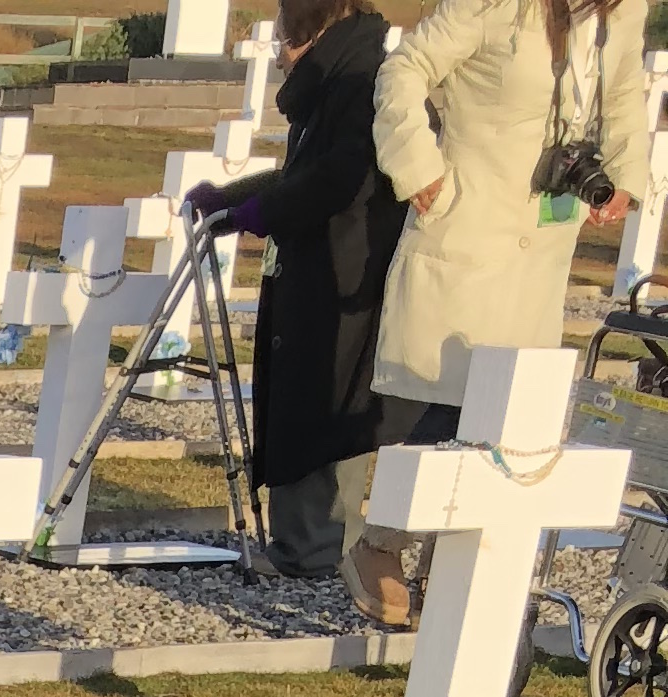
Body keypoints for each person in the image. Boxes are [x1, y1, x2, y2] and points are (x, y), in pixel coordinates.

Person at [354, 0, 644, 621]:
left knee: (510, 424)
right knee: (441, 405)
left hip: (541, 246)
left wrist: (622, 175)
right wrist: (417, 166)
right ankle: (381, 543)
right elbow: (403, 69)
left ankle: (460, 596)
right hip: (468, 225)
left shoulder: (622, 10)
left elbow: (621, 89)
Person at [192, 0, 405, 582]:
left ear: (315, 33)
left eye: (285, 41)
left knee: (325, 408)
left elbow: (336, 181)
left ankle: (319, 551)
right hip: (310, 271)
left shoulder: (361, 85)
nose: (281, 57)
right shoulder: (332, 83)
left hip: (342, 277)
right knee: (297, 398)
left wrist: (263, 210)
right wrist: (235, 199)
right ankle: (299, 543)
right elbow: (298, 176)